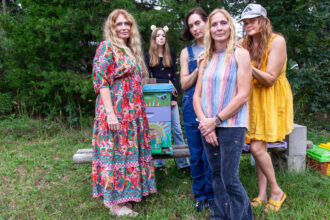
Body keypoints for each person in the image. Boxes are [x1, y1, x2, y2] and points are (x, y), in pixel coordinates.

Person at [91, 9, 157, 217]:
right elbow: (101, 83)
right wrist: (110, 114)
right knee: (115, 154)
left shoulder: (131, 50)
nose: (123, 27)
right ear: (112, 28)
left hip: (133, 112)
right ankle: (114, 204)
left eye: (127, 24)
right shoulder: (106, 48)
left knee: (128, 152)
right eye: (119, 24)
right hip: (116, 111)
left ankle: (129, 193)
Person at [193, 9, 253, 220]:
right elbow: (196, 95)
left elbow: (243, 95)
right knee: (216, 175)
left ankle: (242, 217)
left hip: (232, 125)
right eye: (214, 24)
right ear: (209, 29)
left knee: (230, 178)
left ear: (230, 26)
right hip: (207, 125)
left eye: (223, 23)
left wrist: (216, 121)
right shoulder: (205, 58)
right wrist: (205, 124)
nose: (218, 28)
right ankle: (219, 215)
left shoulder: (240, 54)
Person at [239, 3, 294, 212]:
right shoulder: (246, 42)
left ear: (264, 21)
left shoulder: (276, 41)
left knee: (256, 147)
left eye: (252, 21)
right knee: (257, 147)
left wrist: (246, 64)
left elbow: (270, 79)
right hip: (252, 98)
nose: (248, 26)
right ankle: (262, 194)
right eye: (245, 23)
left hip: (270, 97)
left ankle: (276, 190)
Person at [179, 8, 214, 213]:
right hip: (191, 107)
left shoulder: (219, 47)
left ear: (206, 22)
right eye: (191, 25)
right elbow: (184, 83)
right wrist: (198, 67)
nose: (195, 28)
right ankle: (199, 195)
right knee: (196, 154)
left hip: (213, 107)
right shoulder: (187, 52)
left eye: (198, 23)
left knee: (210, 154)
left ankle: (212, 194)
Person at [144, 25, 190, 170]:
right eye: (158, 36)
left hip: (170, 96)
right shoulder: (148, 55)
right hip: (155, 98)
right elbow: (147, 79)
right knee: (157, 129)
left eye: (163, 35)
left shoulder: (171, 53)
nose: (161, 38)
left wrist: (173, 98)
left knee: (176, 128)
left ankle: (183, 164)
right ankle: (159, 164)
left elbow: (175, 77)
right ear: (154, 38)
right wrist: (165, 82)